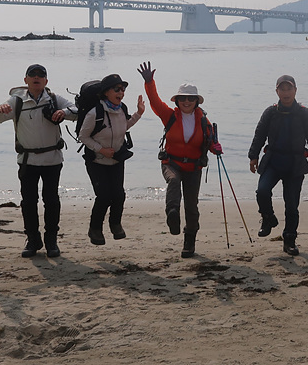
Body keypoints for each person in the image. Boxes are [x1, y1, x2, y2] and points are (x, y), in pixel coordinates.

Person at [138, 61, 222, 258]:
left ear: (196, 101)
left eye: (190, 98)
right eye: (183, 98)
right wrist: (149, 82)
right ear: (177, 100)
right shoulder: (169, 115)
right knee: (174, 181)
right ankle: (172, 214)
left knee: (192, 206)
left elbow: (210, 142)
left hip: (194, 168)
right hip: (172, 163)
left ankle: (189, 243)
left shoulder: (204, 121)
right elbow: (155, 101)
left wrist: (215, 148)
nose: (186, 101)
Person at [0, 64, 74, 258]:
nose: (36, 77)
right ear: (25, 80)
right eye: (32, 75)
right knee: (28, 202)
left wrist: (64, 113)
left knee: (51, 200)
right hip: (27, 161)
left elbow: (76, 110)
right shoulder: (17, 101)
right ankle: (33, 239)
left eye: (40, 75)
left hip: (52, 159)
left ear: (46, 81)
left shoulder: (54, 99)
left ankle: (51, 240)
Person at [248, 75, 308, 256]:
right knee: (262, 191)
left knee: (291, 206)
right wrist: (253, 156)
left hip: (295, 164)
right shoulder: (270, 112)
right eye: (282, 89)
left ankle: (289, 240)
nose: (286, 92)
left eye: (289, 89)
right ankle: (268, 218)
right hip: (273, 161)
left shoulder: (305, 114)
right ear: (277, 91)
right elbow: (259, 135)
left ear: (295, 90)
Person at [79, 73, 144, 246]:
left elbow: (124, 127)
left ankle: (115, 224)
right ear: (106, 92)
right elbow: (83, 136)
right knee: (104, 196)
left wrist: (138, 113)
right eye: (117, 89)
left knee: (119, 195)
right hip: (96, 161)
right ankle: (95, 229)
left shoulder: (121, 109)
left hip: (116, 160)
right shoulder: (95, 113)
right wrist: (101, 150)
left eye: (123, 89)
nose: (121, 92)